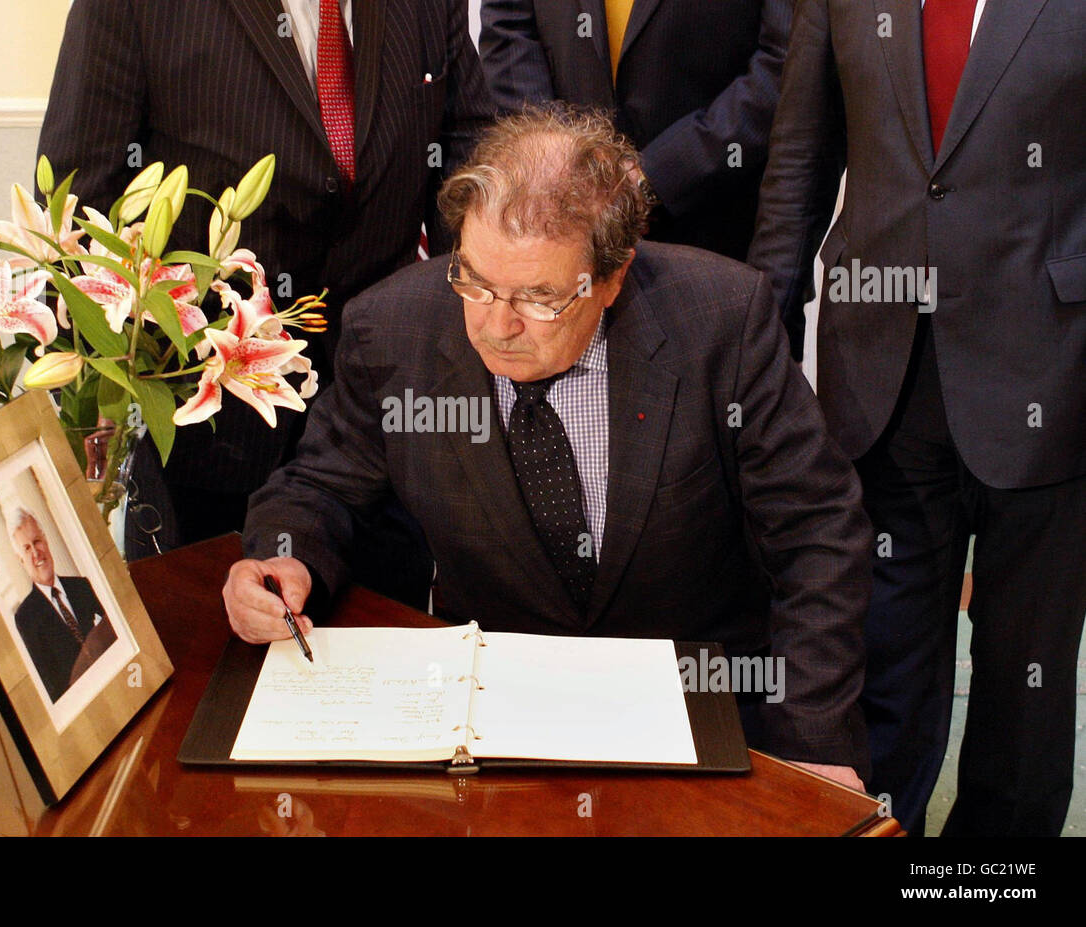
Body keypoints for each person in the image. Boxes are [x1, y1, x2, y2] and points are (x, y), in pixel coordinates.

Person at [223, 108, 874, 787]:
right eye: (473, 279)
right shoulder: (391, 331)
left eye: (538, 297)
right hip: (494, 708)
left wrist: (812, 742)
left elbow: (818, 533)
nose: (497, 324)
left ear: (613, 276)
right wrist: (279, 561)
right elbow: (319, 488)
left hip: (695, 700)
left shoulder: (721, 320)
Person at [748, 0, 1086, 836]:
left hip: (1053, 368)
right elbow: (800, 153)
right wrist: (761, 343)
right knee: (880, 675)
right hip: (880, 380)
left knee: (1023, 689)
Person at [37, 0, 494, 602]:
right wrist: (90, 408)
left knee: (387, 665)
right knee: (216, 673)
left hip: (381, 431)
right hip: (208, 437)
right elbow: (80, 216)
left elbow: (468, 179)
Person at [477, 0, 793, 261]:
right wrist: (564, 164)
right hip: (556, 224)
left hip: (712, 228)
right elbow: (509, 26)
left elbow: (785, 60)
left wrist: (655, 174)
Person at [10, 508, 116, 702]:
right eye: (26, 548)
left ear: (46, 541)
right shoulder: (25, 618)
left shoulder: (82, 586)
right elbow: (51, 686)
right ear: (20, 560)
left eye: (37, 542)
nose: (36, 553)